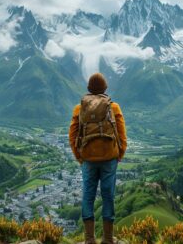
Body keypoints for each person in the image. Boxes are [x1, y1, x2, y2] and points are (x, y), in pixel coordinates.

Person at [69, 73, 127, 244]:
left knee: (88, 195)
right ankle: (108, 239)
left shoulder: (79, 108)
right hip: (109, 158)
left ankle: (89, 239)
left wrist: (79, 156)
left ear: (89, 89)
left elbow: (72, 136)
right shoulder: (114, 107)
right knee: (108, 195)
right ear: (105, 89)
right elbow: (122, 135)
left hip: (88, 159)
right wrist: (120, 154)